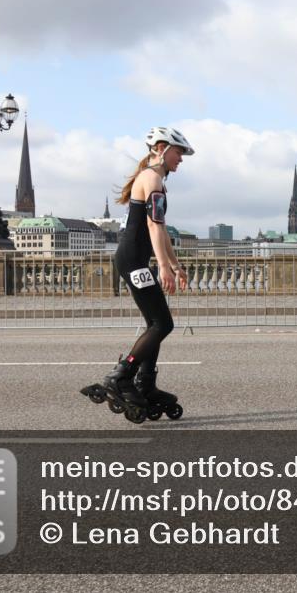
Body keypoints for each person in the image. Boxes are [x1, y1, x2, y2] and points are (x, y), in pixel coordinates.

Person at [96, 126, 193, 422]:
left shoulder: (156, 180)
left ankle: (146, 384)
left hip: (136, 259)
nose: (181, 159)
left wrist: (174, 265)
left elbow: (161, 230)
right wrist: (163, 266)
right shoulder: (151, 178)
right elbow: (154, 227)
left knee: (155, 323)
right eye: (179, 152)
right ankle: (122, 376)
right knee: (163, 324)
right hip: (133, 260)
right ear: (162, 148)